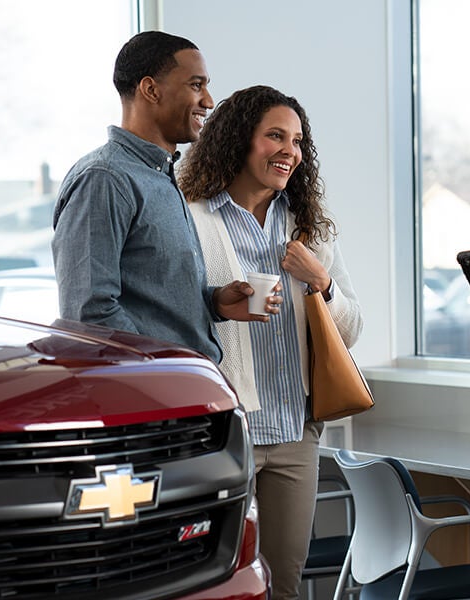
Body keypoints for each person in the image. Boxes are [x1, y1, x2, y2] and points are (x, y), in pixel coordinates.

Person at [177, 85, 363, 600]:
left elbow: (350, 332)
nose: (290, 150)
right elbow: (170, 318)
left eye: (298, 140)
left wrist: (321, 282)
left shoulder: (309, 228)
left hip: (294, 433)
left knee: (285, 583)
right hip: (223, 435)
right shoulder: (191, 217)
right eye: (275, 136)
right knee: (219, 585)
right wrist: (217, 300)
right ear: (239, 141)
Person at [52, 31, 273, 362]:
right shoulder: (105, 179)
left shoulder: (161, 177)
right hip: (155, 398)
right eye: (196, 85)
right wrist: (164, 373)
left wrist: (213, 302)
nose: (209, 101)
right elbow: (89, 315)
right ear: (151, 89)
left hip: (185, 392)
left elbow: (150, 298)